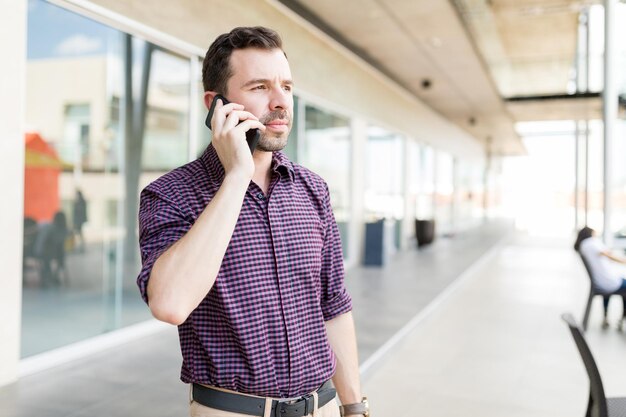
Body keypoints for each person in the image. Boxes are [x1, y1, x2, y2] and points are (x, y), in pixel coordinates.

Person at [137, 27, 368, 417]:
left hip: (322, 407)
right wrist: (236, 177)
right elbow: (171, 304)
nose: (280, 102)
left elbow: (333, 307)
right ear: (216, 105)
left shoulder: (313, 190)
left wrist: (354, 407)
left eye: (287, 87)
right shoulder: (170, 194)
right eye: (260, 87)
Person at [575, 226, 626, 329]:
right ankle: (622, 319)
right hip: (607, 282)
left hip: (602, 281)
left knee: (615, 285)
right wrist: (623, 261)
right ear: (590, 233)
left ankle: (606, 317)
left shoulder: (584, 245)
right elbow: (607, 254)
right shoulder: (591, 243)